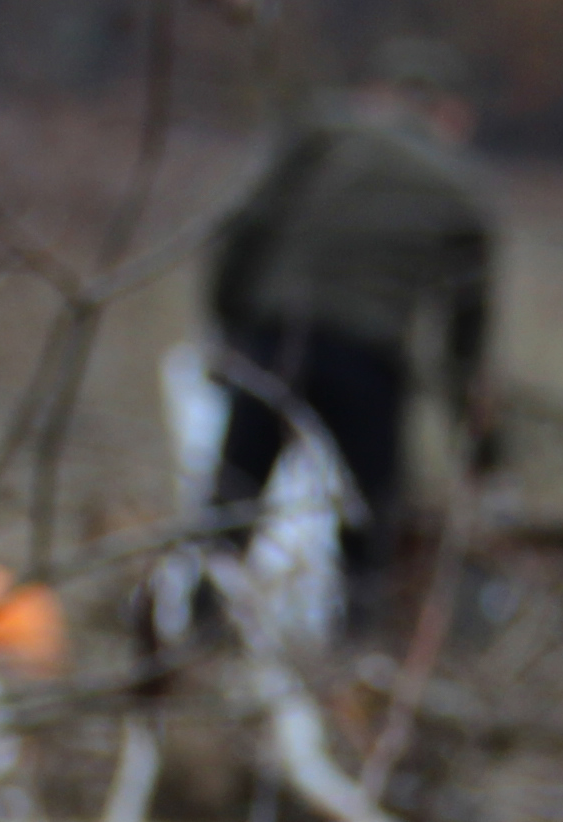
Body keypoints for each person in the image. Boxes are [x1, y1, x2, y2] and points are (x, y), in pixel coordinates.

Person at [201, 34, 501, 644]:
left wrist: (228, 328)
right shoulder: (461, 187)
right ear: (450, 112)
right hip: (367, 361)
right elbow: (464, 348)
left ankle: (195, 633)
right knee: (369, 518)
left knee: (232, 504)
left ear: (378, 94)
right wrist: (485, 451)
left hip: (272, 337)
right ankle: (356, 649)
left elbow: (243, 229)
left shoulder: (322, 134)